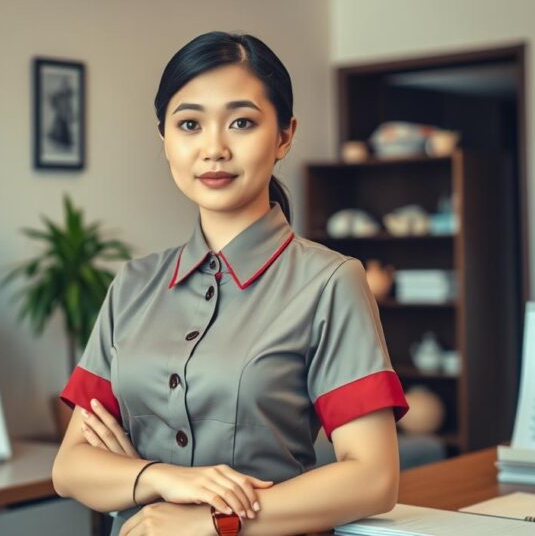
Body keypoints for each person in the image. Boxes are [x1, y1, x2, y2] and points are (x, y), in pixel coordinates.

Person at [51, 31, 408, 536]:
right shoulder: (132, 285)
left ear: (284, 136)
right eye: (190, 124)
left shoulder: (330, 282)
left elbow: (372, 479)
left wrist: (213, 522)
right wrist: (166, 479)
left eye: (242, 122)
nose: (214, 148)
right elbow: (71, 468)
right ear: (165, 141)